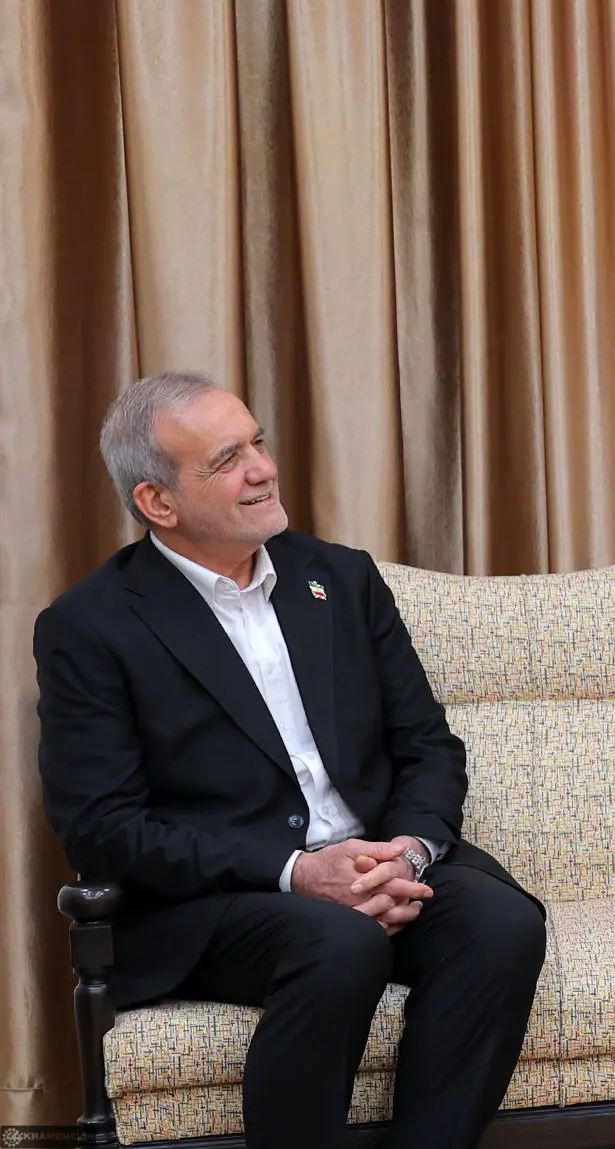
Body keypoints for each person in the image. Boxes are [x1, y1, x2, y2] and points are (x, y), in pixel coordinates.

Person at [35, 373, 545, 1149]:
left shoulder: (339, 578)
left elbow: (427, 745)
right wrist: (298, 873)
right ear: (158, 502)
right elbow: (102, 828)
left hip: (373, 859)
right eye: (227, 460)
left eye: (258, 443)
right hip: (221, 899)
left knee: (501, 923)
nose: (264, 469)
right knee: (340, 940)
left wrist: (405, 852)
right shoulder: (91, 625)